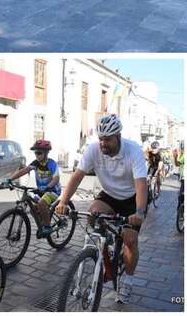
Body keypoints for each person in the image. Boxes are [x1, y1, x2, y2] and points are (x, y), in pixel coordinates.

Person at [55, 115, 148, 304]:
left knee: (130, 239)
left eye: (108, 139)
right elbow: (76, 176)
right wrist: (63, 201)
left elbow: (141, 184)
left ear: (118, 137)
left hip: (131, 198)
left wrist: (139, 212)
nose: (103, 143)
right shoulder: (93, 150)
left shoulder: (133, 150)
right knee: (92, 215)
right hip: (109, 195)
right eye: (101, 139)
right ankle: (110, 244)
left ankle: (127, 280)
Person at [3, 140, 62, 237]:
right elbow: (24, 170)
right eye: (36, 153)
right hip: (41, 191)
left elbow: (56, 179)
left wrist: (47, 187)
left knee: (42, 203)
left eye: (39, 153)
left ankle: (47, 226)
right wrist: (10, 179)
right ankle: (42, 222)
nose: (37, 155)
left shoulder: (52, 163)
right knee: (32, 209)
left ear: (46, 153)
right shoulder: (35, 163)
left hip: (53, 190)